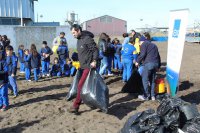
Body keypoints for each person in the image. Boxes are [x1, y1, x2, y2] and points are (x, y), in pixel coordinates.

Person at [68, 24, 99, 114]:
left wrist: (94, 61)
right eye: (72, 33)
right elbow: (82, 52)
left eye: (74, 32)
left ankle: (76, 106)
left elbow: (95, 50)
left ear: (78, 30)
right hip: (82, 66)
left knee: (80, 85)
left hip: (88, 66)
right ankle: (90, 101)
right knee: (82, 85)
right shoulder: (79, 40)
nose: (73, 34)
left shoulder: (87, 39)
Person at [135, 33, 161, 101]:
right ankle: (153, 96)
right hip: (155, 64)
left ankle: (146, 96)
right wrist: (159, 66)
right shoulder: (154, 45)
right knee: (152, 80)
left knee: (145, 80)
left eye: (139, 43)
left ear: (141, 41)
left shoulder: (144, 44)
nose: (139, 45)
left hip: (149, 64)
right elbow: (158, 56)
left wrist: (137, 61)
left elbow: (142, 54)